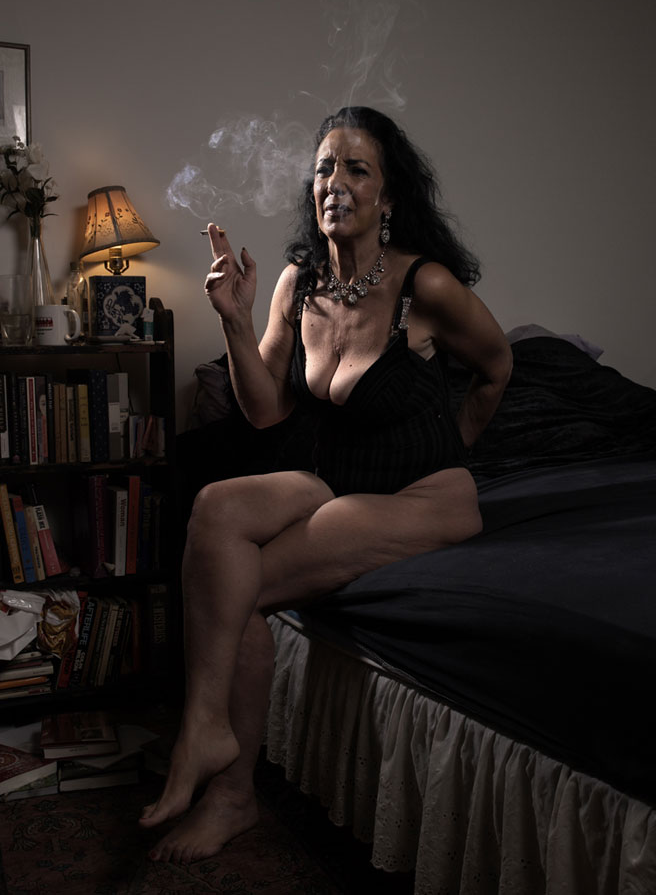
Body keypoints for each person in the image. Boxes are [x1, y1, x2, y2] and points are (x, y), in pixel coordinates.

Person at [141, 106, 512, 863]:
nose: (334, 182)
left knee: (239, 590)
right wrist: (235, 319)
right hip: (336, 482)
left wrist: (456, 447)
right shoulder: (299, 283)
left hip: (423, 498)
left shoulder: (425, 285)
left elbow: (497, 366)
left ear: (388, 197)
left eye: (356, 169)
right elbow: (265, 411)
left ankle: (227, 787)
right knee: (216, 507)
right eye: (323, 168)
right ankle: (206, 730)